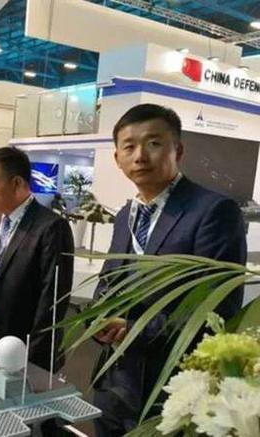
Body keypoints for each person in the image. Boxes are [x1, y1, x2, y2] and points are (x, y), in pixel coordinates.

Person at [92, 103, 246, 436]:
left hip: (168, 390)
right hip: (113, 385)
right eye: (129, 146)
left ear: (178, 150)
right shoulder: (126, 215)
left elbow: (217, 310)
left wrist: (134, 330)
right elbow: (108, 282)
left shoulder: (214, 211)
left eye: (153, 143)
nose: (140, 156)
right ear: (117, 158)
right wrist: (97, 318)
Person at [0, 147, 74, 370]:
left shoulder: (51, 227)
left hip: (22, 349)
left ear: (17, 183)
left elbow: (52, 300)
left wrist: (32, 359)